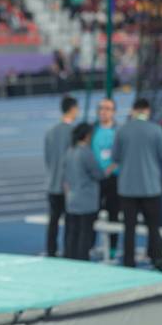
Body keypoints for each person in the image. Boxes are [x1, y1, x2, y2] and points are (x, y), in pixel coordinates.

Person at [111, 98, 162, 268]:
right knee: (153, 227)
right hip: (150, 187)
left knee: (129, 228)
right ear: (147, 110)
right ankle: (156, 259)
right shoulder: (156, 130)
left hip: (127, 188)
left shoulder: (122, 130)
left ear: (133, 110)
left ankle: (129, 262)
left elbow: (115, 157)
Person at [44, 95, 79, 256]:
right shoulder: (74, 132)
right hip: (67, 185)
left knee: (53, 220)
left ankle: (51, 251)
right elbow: (72, 161)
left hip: (52, 183)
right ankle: (68, 252)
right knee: (70, 221)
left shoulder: (51, 131)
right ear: (72, 109)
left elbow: (48, 158)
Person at [64, 123, 103, 261]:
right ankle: (82, 261)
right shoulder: (86, 152)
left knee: (72, 234)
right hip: (86, 201)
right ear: (87, 136)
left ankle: (70, 260)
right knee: (85, 235)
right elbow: (98, 174)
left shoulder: (70, 151)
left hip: (72, 199)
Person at [91, 98, 119, 257]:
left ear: (113, 112)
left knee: (113, 214)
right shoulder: (92, 131)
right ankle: (90, 245)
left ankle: (113, 248)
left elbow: (123, 154)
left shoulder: (118, 131)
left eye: (107, 108)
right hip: (96, 179)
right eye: (101, 108)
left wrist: (112, 167)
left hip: (114, 179)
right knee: (92, 213)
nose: (104, 111)